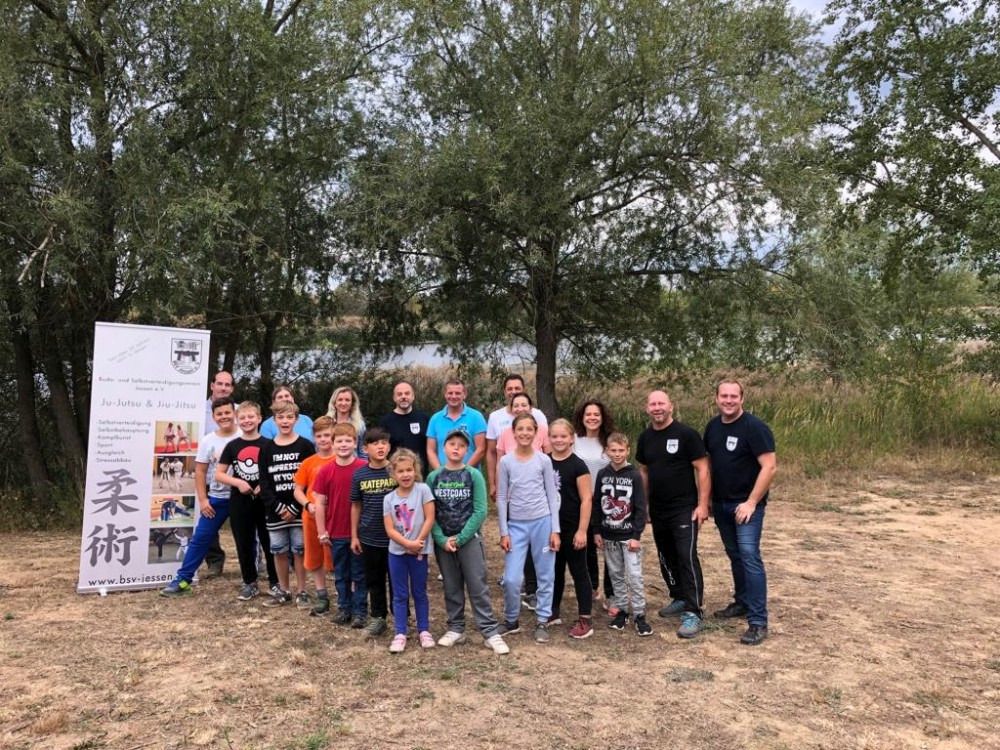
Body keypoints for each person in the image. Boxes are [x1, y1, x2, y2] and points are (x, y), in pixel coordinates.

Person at [703, 379, 776, 646]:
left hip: (746, 506)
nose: (729, 400)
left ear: (742, 399)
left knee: (749, 556)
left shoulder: (754, 427)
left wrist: (752, 502)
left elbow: (769, 466)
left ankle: (758, 621)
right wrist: (706, 500)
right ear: (716, 398)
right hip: (721, 504)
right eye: (724, 396)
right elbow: (708, 465)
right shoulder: (712, 427)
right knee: (735, 555)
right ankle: (742, 602)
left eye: (734, 396)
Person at [636, 390, 711, 639]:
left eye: (661, 403)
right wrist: (645, 505)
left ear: (671, 406)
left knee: (685, 556)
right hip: (658, 509)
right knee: (665, 555)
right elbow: (644, 471)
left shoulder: (686, 434)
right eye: (653, 404)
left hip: (684, 508)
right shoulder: (645, 437)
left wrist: (702, 505)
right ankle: (678, 597)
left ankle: (693, 611)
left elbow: (702, 469)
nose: (657, 408)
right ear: (647, 408)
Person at [428, 429, 510, 654]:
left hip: (469, 540)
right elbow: (430, 512)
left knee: (477, 585)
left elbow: (481, 510)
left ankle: (490, 631)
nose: (456, 448)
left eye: (462, 445)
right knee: (451, 585)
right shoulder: (434, 477)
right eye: (452, 444)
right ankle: (456, 628)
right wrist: (441, 538)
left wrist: (462, 537)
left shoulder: (473, 475)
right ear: (444, 448)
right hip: (444, 542)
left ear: (467, 450)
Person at [160, 397, 239, 596]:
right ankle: (183, 580)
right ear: (213, 416)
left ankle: (253, 582)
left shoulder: (244, 436)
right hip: (217, 498)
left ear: (235, 413)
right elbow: (200, 471)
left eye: (227, 412)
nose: (224, 417)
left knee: (249, 540)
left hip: (242, 499)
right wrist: (203, 500)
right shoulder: (208, 440)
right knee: (201, 538)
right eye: (219, 414)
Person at [496, 413, 560, 643]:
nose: (524, 433)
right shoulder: (506, 462)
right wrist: (504, 531)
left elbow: (552, 495)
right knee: (511, 579)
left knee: (545, 574)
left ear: (536, 433)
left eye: (529, 429)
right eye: (520, 429)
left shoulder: (544, 460)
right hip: (516, 526)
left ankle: (542, 619)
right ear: (513, 433)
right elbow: (501, 498)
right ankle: (511, 620)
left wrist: (555, 530)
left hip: (542, 522)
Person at [215, 401, 278, 601]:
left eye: (251, 417)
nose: (247, 420)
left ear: (259, 418)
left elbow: (276, 471)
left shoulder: (269, 444)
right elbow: (219, 474)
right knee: (244, 542)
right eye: (242, 417)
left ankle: (275, 582)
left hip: (265, 501)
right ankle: (249, 582)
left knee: (270, 542)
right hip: (240, 501)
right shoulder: (232, 446)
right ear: (237, 420)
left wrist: (265, 485)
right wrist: (238, 482)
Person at [594, 432, 653, 636]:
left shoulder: (634, 475)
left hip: (628, 536)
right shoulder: (602, 474)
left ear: (628, 451)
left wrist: (636, 535)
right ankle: (622, 611)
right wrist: (596, 531)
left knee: (634, 576)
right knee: (616, 575)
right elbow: (597, 504)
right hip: (609, 534)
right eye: (613, 450)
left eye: (621, 450)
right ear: (607, 451)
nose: (617, 454)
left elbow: (640, 507)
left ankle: (639, 615)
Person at [259, 400, 316, 608]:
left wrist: (294, 506)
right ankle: (283, 590)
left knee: (299, 550)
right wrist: (278, 507)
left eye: (289, 417)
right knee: (279, 550)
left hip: (298, 509)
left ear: (296, 420)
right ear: (274, 420)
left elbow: (310, 480)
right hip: (275, 511)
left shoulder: (305, 446)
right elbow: (264, 482)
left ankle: (302, 591)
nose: (285, 421)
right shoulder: (266, 448)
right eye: (280, 417)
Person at [310, 423, 368, 625]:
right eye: (339, 441)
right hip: (336, 531)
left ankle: (360, 611)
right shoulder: (326, 471)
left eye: (348, 441)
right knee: (341, 573)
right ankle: (344, 608)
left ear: (355, 443)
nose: (343, 445)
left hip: (359, 532)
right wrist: (321, 532)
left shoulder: (363, 468)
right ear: (332, 444)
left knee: (359, 573)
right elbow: (320, 503)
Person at [382, 449, 436, 653]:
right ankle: (400, 632)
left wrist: (418, 542)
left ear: (415, 470)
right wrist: (407, 544)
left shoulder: (423, 490)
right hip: (397, 553)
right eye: (400, 471)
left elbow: (430, 518)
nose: (405, 474)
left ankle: (424, 630)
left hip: (419, 551)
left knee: (419, 591)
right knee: (399, 593)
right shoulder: (388, 499)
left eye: (409, 470)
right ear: (393, 474)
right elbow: (389, 529)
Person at [547, 419, 595, 639]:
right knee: (554, 571)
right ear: (549, 438)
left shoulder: (578, 465)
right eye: (554, 436)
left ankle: (585, 618)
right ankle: (553, 610)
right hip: (551, 528)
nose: (559, 440)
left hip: (573, 527)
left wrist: (582, 530)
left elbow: (586, 499)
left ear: (571, 439)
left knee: (579, 572)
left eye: (563, 436)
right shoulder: (545, 462)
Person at [350, 427, 398, 637]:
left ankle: (400, 616)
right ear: (365, 449)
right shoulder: (360, 474)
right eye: (375, 443)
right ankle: (379, 617)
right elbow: (356, 506)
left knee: (396, 580)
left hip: (396, 538)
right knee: (374, 579)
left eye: (384, 443)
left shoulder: (397, 471)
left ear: (389, 447)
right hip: (370, 536)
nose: (381, 447)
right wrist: (354, 535)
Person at [292, 417, 339, 616]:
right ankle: (322, 595)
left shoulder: (341, 459)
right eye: (319, 436)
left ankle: (344, 595)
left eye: (327, 435)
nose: (323, 439)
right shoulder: (309, 462)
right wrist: (307, 504)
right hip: (312, 517)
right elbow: (298, 489)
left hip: (336, 518)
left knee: (338, 557)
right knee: (314, 557)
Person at [573, 399, 616, 607]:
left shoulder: (610, 440)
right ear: (582, 418)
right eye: (588, 414)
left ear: (602, 417)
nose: (592, 418)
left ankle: (612, 594)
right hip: (582, 501)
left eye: (596, 414)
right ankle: (592, 588)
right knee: (587, 546)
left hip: (607, 501)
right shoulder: (574, 440)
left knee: (610, 549)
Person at [485, 374, 548, 499]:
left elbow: (548, 451)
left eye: (517, 388)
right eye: (509, 389)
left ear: (523, 390)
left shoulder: (538, 416)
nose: (513, 392)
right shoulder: (495, 417)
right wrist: (492, 484)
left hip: (536, 481)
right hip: (509, 482)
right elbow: (492, 453)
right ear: (504, 391)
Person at [201, 370, 235, 577]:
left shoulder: (238, 411)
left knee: (245, 524)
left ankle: (253, 562)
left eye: (227, 384)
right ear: (212, 385)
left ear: (232, 388)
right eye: (220, 384)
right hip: (208, 476)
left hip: (236, 479)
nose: (223, 388)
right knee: (208, 522)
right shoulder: (197, 409)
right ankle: (214, 561)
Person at [426, 379, 487, 471]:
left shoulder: (476, 417)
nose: (453, 396)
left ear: (464, 395)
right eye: (450, 393)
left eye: (458, 393)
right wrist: (440, 472)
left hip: (470, 475)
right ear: (445, 394)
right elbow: (430, 450)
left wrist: (463, 471)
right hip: (443, 476)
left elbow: (481, 449)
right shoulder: (435, 419)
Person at [378, 380, 430, 470]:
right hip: (396, 474)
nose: (403, 397)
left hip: (421, 474)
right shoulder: (385, 422)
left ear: (413, 396)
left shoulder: (424, 418)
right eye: (399, 394)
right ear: (394, 398)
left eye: (407, 393)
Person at [327, 385, 367, 457]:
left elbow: (362, 452)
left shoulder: (360, 425)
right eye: (340, 400)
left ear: (352, 403)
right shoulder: (326, 423)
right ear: (334, 403)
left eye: (347, 400)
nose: (343, 403)